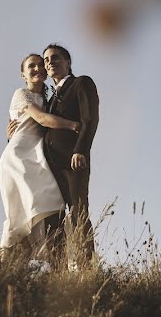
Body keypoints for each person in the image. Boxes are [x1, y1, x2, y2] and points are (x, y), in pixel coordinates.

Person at [6, 43, 100, 268]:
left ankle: (88, 268)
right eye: (46, 60)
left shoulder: (81, 83)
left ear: (68, 62)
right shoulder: (49, 101)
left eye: (55, 58)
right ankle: (57, 271)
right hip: (48, 166)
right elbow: (35, 123)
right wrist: (12, 132)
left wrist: (80, 150)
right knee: (52, 219)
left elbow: (90, 120)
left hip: (73, 161)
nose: (50, 63)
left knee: (78, 212)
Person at [0, 53, 80, 258]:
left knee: (49, 206)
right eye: (31, 66)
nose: (37, 69)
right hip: (19, 159)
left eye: (40, 65)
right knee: (22, 214)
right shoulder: (21, 94)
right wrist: (73, 125)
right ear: (23, 74)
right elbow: (42, 119)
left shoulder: (48, 100)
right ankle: (4, 267)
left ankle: (52, 263)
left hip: (37, 159)